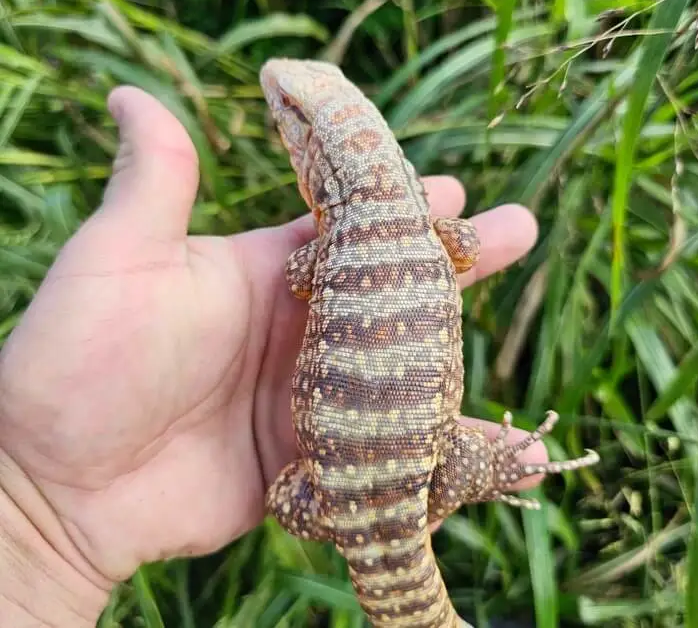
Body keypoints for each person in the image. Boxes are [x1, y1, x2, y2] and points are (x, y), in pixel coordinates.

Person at [0, 86, 544, 626]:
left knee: (316, 494)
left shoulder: (335, 244)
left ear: (321, 167)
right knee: (323, 492)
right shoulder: (435, 235)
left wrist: (31, 515)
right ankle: (482, 474)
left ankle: (463, 482)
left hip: (364, 483)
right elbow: (467, 247)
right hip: (354, 494)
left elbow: (295, 278)